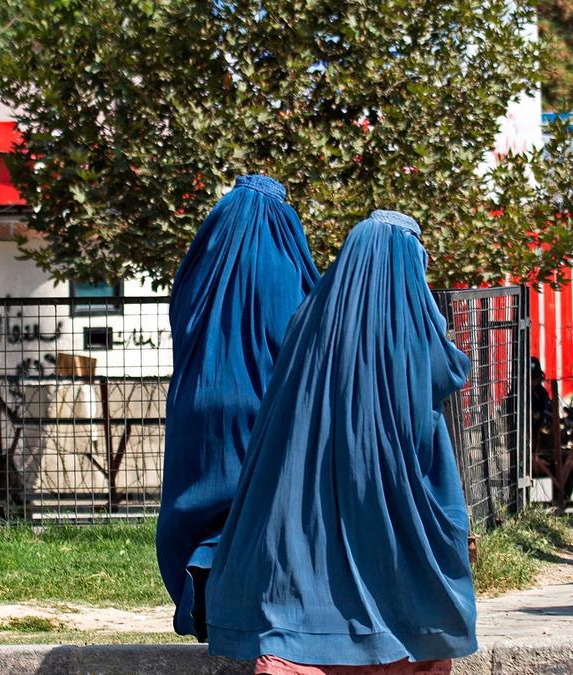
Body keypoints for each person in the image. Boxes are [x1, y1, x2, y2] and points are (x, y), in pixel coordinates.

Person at [206, 211, 476, 673]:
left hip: (307, 482)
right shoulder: (413, 325)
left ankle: (304, 641)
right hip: (387, 482)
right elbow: (445, 371)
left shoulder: (307, 319)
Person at [156, 174, 320, 641]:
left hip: (197, 406)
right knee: (256, 510)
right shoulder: (285, 265)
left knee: (204, 508)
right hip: (263, 406)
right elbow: (305, 332)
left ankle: (201, 589)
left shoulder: (200, 263)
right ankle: (252, 607)